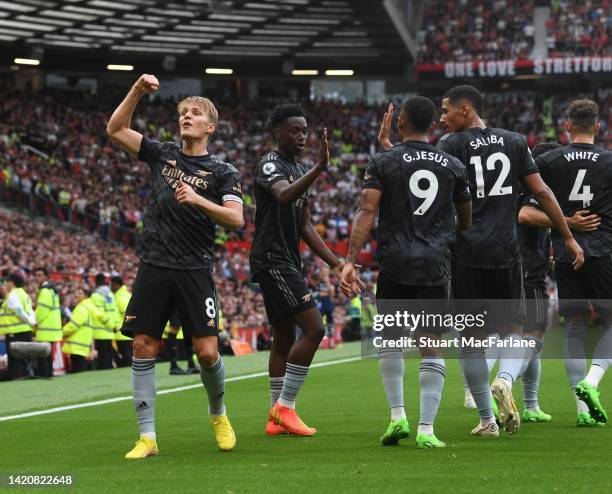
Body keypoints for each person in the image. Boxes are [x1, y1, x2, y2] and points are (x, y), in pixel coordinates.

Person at [107, 74, 244, 458]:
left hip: (194, 268)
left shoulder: (222, 171)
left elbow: (235, 220)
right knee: (142, 344)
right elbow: (115, 129)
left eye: (195, 113)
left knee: (206, 352)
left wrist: (199, 201)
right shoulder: (163, 153)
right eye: (182, 112)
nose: (186, 116)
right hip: (155, 264)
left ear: (210, 127)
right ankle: (147, 437)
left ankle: (218, 413)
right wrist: (135, 90)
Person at [436, 85, 583, 437]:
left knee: (470, 339)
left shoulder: (449, 146)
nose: (441, 119)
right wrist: (567, 236)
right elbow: (543, 193)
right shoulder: (515, 141)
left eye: (446, 111)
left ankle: (487, 420)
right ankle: (505, 379)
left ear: (466, 110)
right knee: (515, 331)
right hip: (506, 252)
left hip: (466, 253)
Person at [341, 96, 472, 448]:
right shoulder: (452, 164)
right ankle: (427, 430)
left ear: (399, 123)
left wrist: (351, 260)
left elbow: (367, 211)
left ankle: (397, 416)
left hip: (395, 263)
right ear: (433, 125)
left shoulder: (383, 161)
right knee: (431, 347)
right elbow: (466, 219)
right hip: (435, 264)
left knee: (390, 342)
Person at [249, 104, 355, 436]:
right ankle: (285, 407)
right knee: (314, 328)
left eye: (305, 130)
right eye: (295, 130)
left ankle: (273, 418)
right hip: (272, 258)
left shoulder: (298, 167)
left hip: (286, 259)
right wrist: (320, 168)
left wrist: (336, 264)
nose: (302, 136)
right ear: (277, 132)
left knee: (283, 337)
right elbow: (282, 196)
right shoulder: (270, 165)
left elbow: (305, 225)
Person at [527, 100, 612, 426]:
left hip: (565, 252)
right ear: (599, 127)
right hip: (603, 251)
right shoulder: (608, 161)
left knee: (575, 327)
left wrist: (566, 223)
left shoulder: (548, 160)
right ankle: (591, 382)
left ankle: (582, 412)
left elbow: (525, 211)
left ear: (566, 126)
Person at [0, 273, 36, 379]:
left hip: (14, 332)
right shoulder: (25, 295)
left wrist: (29, 322)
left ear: (11, 282)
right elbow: (30, 311)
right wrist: (32, 323)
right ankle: (25, 377)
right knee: (24, 357)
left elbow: (19, 312)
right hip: (25, 330)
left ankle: (17, 379)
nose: (6, 285)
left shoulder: (12, 295)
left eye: (7, 282)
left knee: (14, 359)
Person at [33, 267, 62, 377]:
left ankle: (45, 375)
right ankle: (49, 374)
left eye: (40, 275)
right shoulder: (52, 290)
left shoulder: (45, 291)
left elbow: (42, 311)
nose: (37, 277)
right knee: (48, 356)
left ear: (46, 277)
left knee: (44, 357)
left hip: (46, 329)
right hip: (52, 329)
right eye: (36, 275)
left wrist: (34, 322)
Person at [62, 288, 96, 373]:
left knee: (78, 371)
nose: (76, 295)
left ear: (85, 296)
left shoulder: (81, 308)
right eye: (76, 293)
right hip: (82, 345)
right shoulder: (88, 307)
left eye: (80, 293)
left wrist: (61, 332)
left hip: (77, 345)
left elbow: (73, 326)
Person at [91, 273, 120, 370]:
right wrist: (114, 325)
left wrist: (109, 324)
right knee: (108, 357)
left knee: (102, 359)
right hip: (111, 330)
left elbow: (99, 313)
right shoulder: (111, 294)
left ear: (96, 282)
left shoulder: (95, 295)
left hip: (100, 331)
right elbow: (115, 312)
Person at [110, 276, 133, 368]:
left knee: (126, 356)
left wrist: (126, 327)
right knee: (125, 355)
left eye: (111, 285)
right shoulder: (124, 294)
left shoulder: (121, 297)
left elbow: (130, 314)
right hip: (123, 333)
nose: (110, 287)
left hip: (122, 334)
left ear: (116, 285)